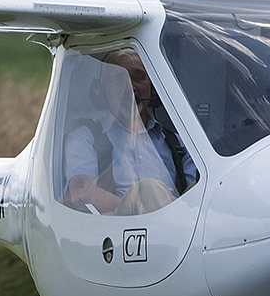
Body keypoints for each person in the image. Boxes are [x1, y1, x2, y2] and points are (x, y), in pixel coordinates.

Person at [63, 49, 197, 216]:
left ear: (152, 88)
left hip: (177, 227)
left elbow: (198, 196)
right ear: (101, 90)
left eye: (138, 77)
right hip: (119, 229)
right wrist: (141, 209)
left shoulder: (178, 143)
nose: (130, 87)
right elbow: (82, 192)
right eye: (119, 79)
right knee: (148, 189)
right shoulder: (85, 139)